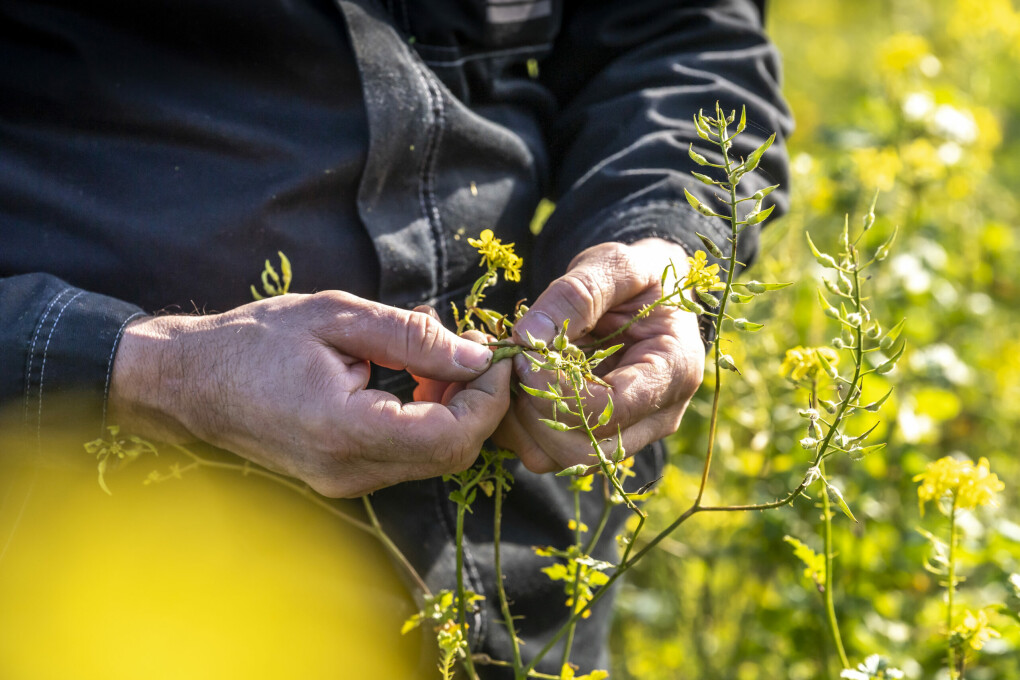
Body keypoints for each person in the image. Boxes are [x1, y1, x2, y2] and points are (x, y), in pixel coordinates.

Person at [0, 0, 791, 675]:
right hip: (96, 557)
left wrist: (663, 242)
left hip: (529, 551)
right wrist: (147, 369)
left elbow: (677, 37)